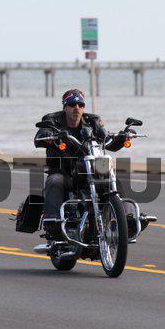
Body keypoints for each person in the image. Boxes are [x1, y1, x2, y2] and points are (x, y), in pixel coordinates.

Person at [34, 89, 126, 238]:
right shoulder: (52, 120)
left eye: (80, 105)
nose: (76, 107)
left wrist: (122, 137)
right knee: (55, 181)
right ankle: (52, 222)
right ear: (65, 107)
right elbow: (39, 137)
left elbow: (107, 141)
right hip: (64, 172)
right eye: (72, 104)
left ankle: (125, 219)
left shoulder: (92, 121)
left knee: (113, 181)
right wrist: (48, 135)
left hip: (89, 169)